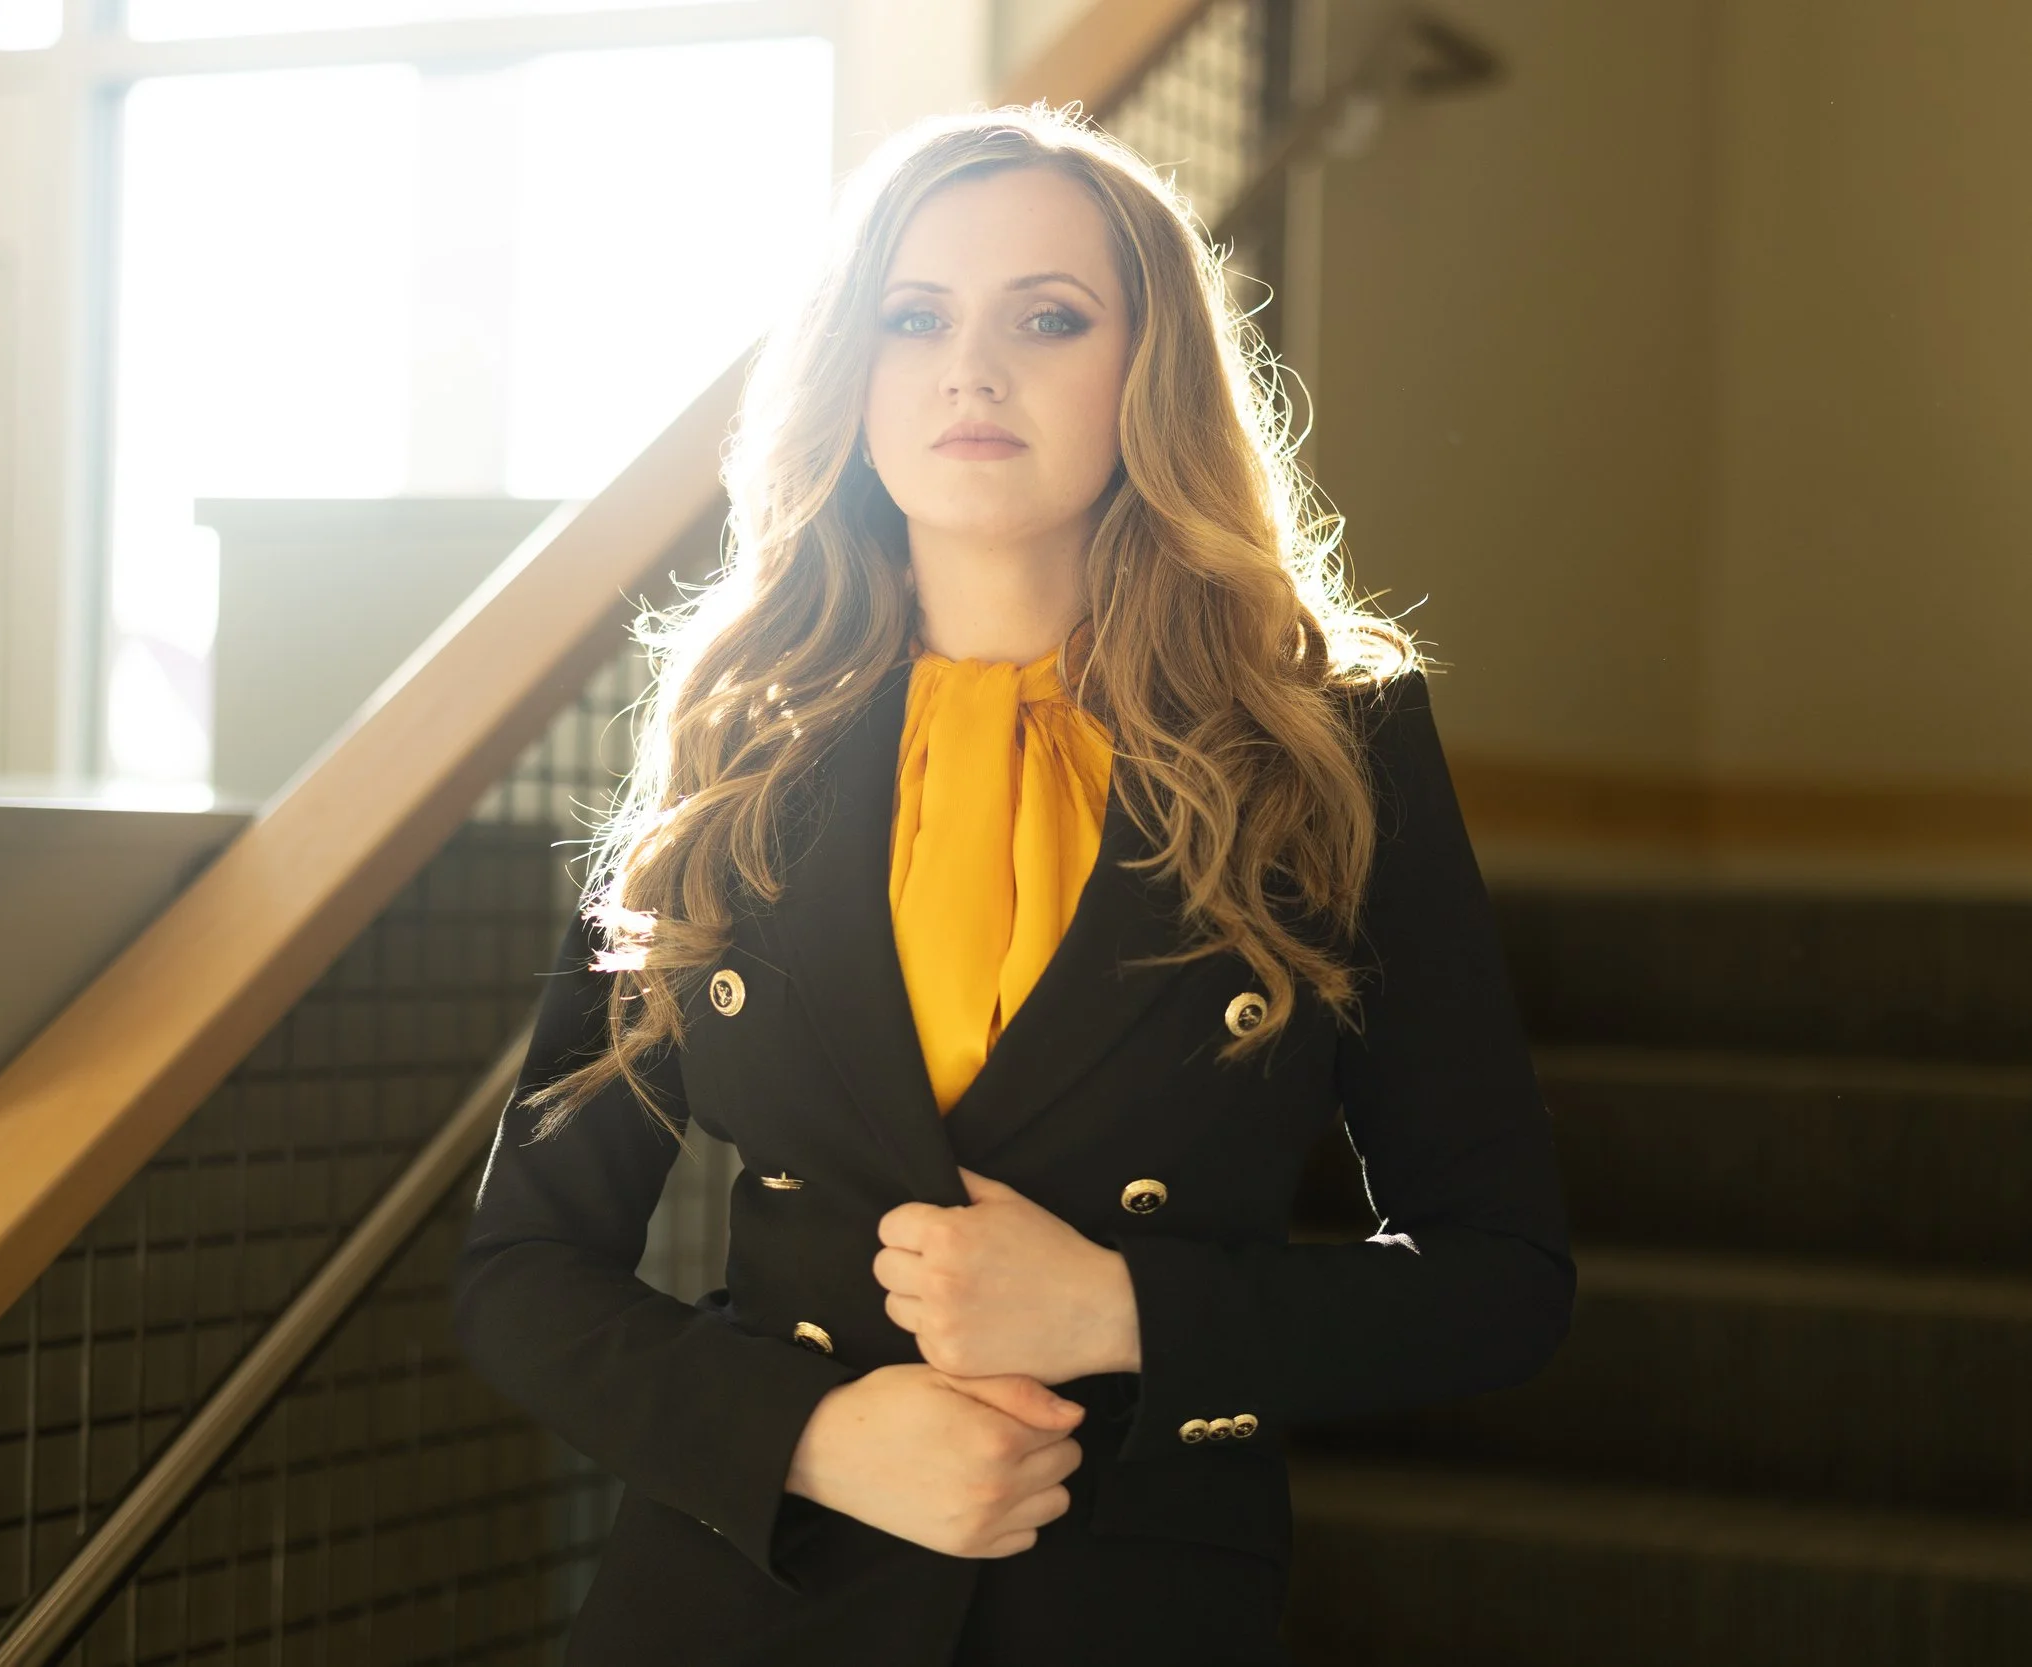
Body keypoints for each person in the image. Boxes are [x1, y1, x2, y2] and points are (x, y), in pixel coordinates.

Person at [450, 101, 1574, 1666]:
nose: (970, 368)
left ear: (1149, 371)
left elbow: (1503, 1277)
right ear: (853, 376)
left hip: (1123, 1608)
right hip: (730, 1614)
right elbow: (525, 1269)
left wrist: (1127, 1310)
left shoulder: (1330, 746)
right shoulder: (733, 738)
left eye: (1048, 317)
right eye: (914, 318)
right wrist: (814, 1434)